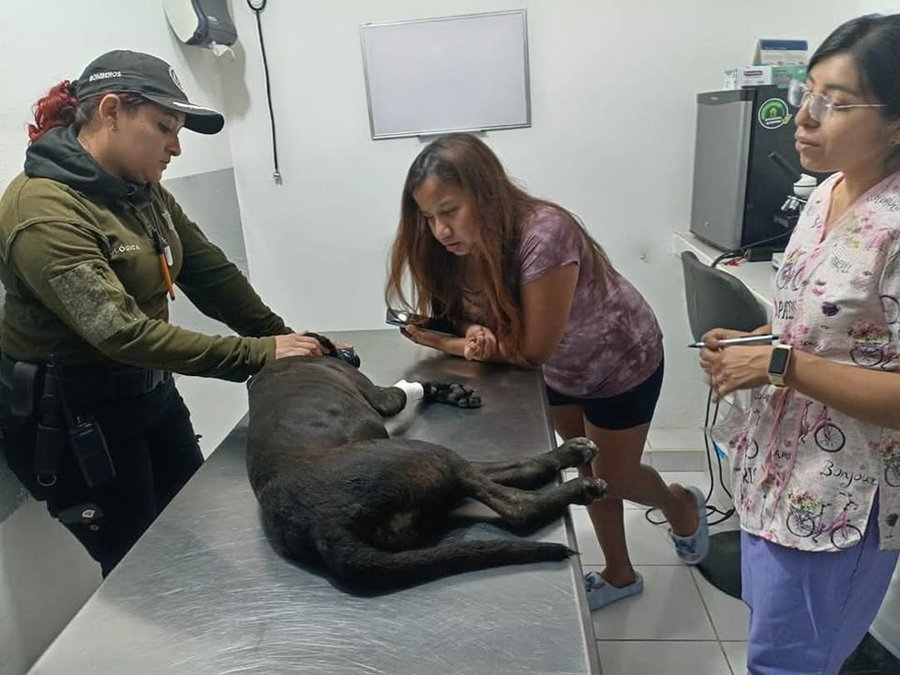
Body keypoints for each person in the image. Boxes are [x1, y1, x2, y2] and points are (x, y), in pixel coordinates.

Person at [0, 50, 328, 576]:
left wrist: (282, 339)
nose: (176, 147)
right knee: (141, 570)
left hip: (149, 397)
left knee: (191, 526)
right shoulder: (42, 211)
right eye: (164, 127)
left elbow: (205, 267)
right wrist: (258, 354)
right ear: (110, 111)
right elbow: (120, 332)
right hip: (77, 424)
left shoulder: (140, 190)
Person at [385, 133, 709, 610]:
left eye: (449, 212)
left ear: (486, 194)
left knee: (612, 476)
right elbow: (471, 315)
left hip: (621, 360)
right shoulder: (457, 251)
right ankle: (620, 575)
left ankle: (680, 504)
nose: (440, 230)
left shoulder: (544, 232)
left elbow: (534, 347)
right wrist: (473, 331)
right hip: (561, 373)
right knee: (586, 465)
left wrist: (445, 342)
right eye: (429, 217)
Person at [699, 14, 900, 674]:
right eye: (806, 92)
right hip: (776, 476)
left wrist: (779, 363)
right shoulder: (827, 190)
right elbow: (828, 330)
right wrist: (754, 342)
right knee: (775, 647)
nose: (803, 118)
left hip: (839, 500)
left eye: (835, 103)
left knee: (791, 664)